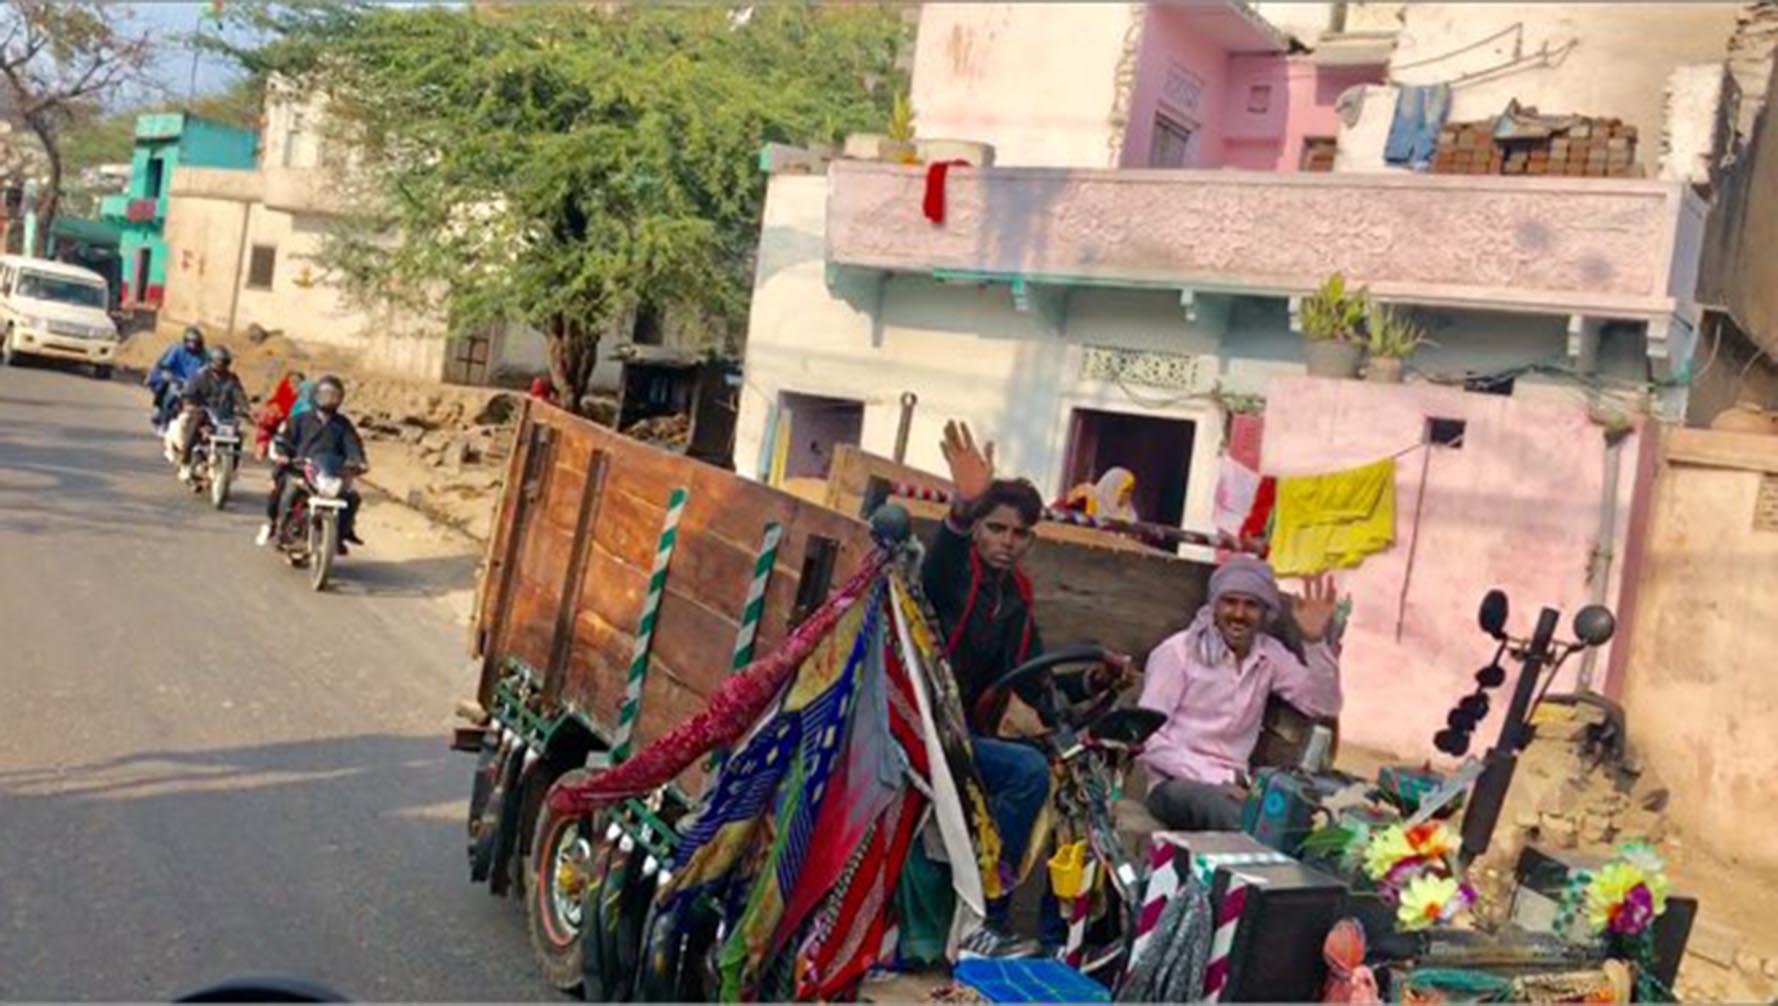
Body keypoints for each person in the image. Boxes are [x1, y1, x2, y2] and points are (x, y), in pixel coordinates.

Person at [922, 420, 1130, 959]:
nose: (1006, 543)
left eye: (1018, 534)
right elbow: (940, 557)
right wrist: (963, 505)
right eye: (995, 529)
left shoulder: (1014, 596)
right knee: (1025, 772)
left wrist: (1092, 681)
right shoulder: (952, 574)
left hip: (964, 732)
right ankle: (979, 921)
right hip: (920, 723)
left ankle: (1063, 933)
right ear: (977, 530)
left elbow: (1035, 680)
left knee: (1062, 773)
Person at [1135, 556, 1343, 831]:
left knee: (1316, 815)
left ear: (1265, 612)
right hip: (1174, 784)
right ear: (1214, 606)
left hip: (1237, 786)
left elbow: (1324, 705)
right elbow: (1148, 739)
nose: (1239, 614)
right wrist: (1220, 778)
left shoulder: (1269, 655)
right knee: (1240, 817)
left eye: (1251, 605)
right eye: (1229, 602)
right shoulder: (1179, 653)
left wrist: (1314, 641)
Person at [257, 374, 368, 553]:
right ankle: (279, 526)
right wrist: (284, 454)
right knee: (287, 490)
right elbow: (284, 440)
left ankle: (340, 535)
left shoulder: (343, 424)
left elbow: (353, 444)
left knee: (351, 498)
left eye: (334, 396)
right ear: (316, 395)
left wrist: (359, 461)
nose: (330, 400)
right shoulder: (300, 419)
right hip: (301, 469)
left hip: (330, 472)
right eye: (326, 395)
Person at [169, 347, 253, 481]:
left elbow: (239, 395)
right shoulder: (202, 375)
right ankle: (185, 460)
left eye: (225, 362)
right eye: (219, 362)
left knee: (238, 435)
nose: (222, 365)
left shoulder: (232, 379)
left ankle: (232, 469)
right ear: (212, 361)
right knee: (195, 424)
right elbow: (189, 393)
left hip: (224, 416)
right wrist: (191, 403)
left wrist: (246, 409)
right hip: (204, 413)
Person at [146, 326, 208, 430]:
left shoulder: (204, 354)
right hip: (177, 380)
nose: (193, 346)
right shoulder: (177, 350)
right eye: (190, 342)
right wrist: (170, 375)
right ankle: (163, 417)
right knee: (170, 394)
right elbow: (165, 366)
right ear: (185, 341)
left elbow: (207, 368)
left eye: (195, 343)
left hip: (194, 384)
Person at [1061, 466, 1139, 522]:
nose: (1128, 495)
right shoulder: (1085, 499)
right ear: (1112, 487)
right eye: (1125, 490)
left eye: (1131, 491)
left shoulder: (1129, 514)